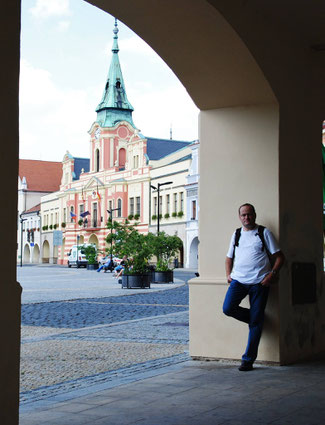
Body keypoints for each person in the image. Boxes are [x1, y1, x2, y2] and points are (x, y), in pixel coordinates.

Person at [223, 203, 285, 371]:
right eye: (243, 215)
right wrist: (228, 274)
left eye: (249, 214)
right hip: (238, 281)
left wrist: (271, 274)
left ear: (254, 215)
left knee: (255, 322)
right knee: (228, 308)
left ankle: (248, 360)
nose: (246, 218)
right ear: (239, 217)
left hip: (259, 283)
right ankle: (256, 319)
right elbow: (229, 257)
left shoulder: (264, 233)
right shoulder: (236, 234)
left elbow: (280, 258)